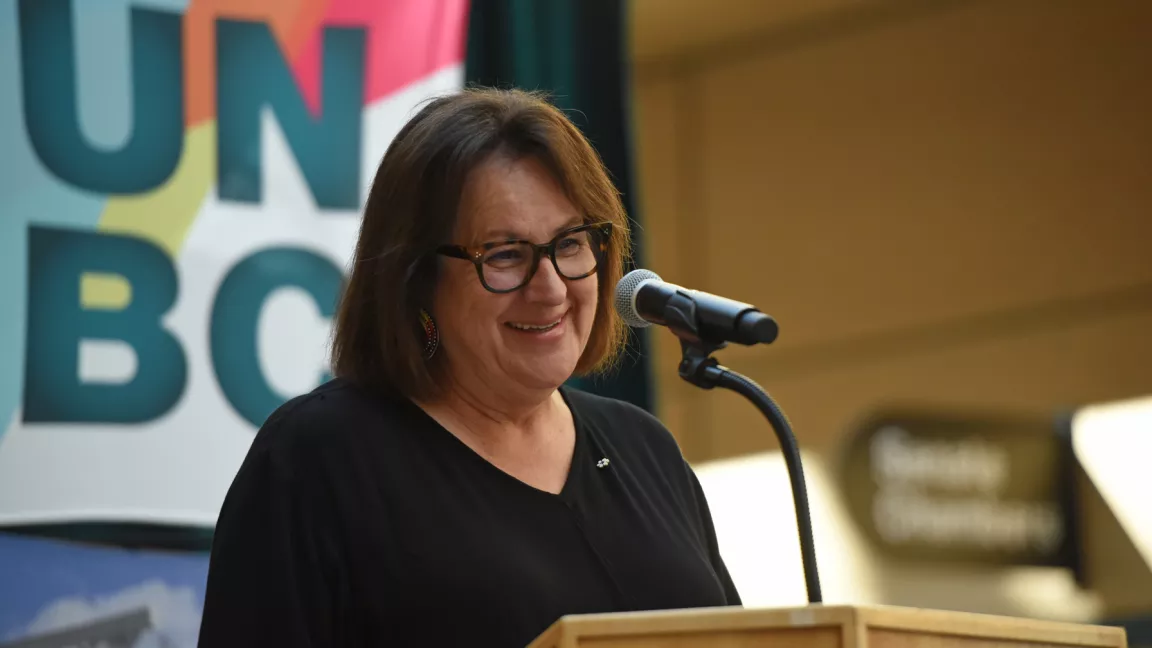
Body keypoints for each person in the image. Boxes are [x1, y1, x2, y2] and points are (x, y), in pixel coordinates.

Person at [197, 88, 740, 648]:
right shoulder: (318, 458)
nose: (551, 287)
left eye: (571, 243)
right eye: (504, 254)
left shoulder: (645, 448)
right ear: (417, 281)